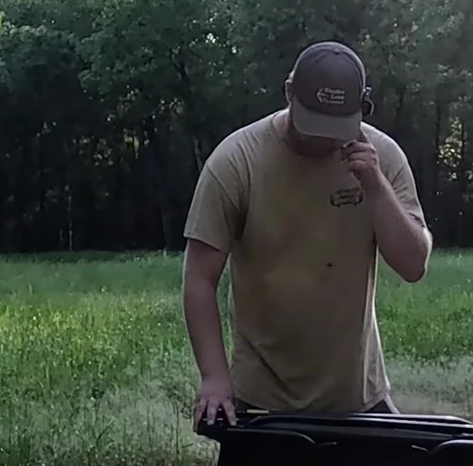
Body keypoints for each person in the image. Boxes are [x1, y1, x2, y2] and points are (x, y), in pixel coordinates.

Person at [183, 41, 431, 425]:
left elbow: (414, 265)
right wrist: (214, 378)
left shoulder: (382, 158)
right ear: (288, 93)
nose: (323, 139)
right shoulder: (237, 161)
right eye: (312, 122)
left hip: (356, 395)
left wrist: (376, 185)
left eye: (336, 126)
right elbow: (199, 279)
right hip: (260, 394)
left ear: (361, 108)